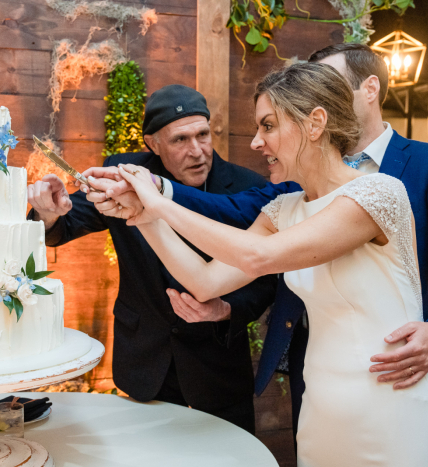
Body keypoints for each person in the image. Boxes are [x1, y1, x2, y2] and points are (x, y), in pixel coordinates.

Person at [85, 43, 428, 441]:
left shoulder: (379, 192)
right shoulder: (286, 206)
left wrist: (156, 200)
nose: (256, 142)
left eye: (268, 126)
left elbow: (257, 256)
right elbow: (205, 282)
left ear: (315, 123)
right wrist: (142, 218)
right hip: (320, 404)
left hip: (390, 402)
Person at [26, 85, 277, 433]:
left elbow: (266, 278)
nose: (197, 151)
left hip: (217, 367)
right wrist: (49, 213)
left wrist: (226, 310)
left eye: (202, 135)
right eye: (179, 140)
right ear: (152, 144)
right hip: (145, 363)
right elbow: (64, 225)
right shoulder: (122, 174)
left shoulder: (247, 187)